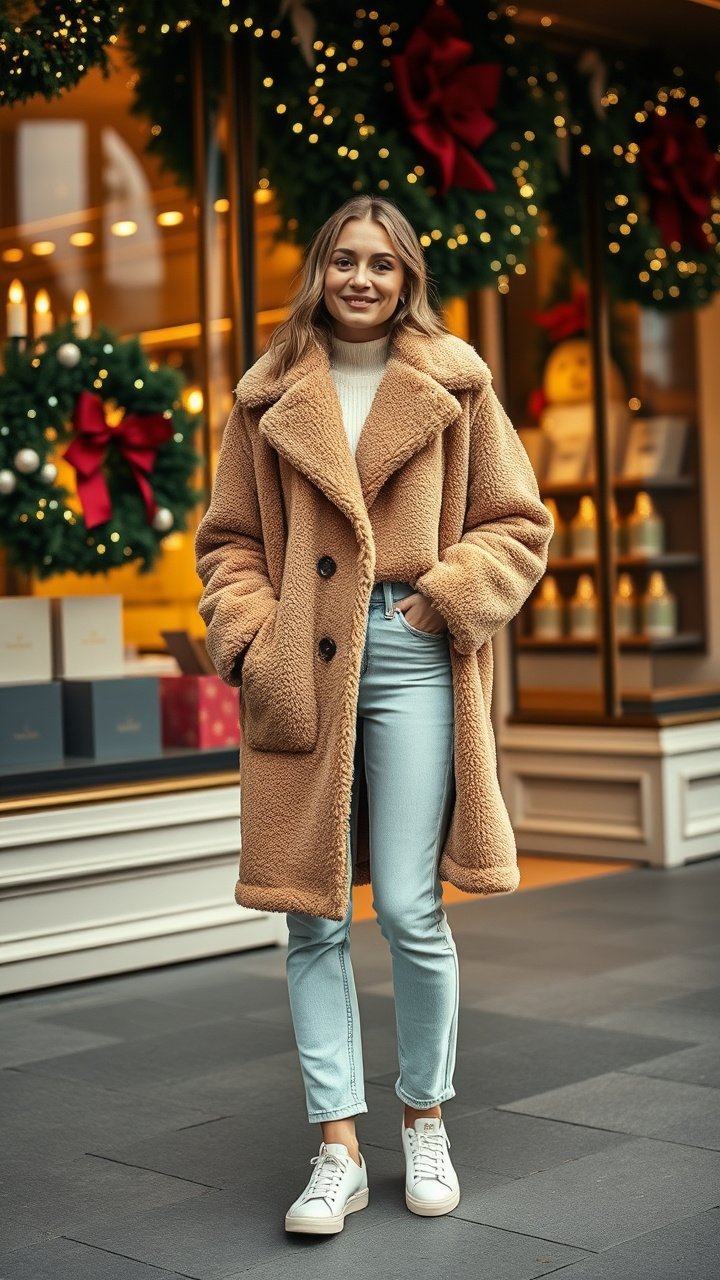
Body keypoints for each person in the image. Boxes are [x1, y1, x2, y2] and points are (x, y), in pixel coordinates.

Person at [194, 194, 553, 1235]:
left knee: (408, 905)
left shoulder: (457, 381)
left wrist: (446, 596)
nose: (361, 278)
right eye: (345, 260)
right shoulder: (266, 396)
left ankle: (425, 1117)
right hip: (299, 662)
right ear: (320, 269)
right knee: (311, 910)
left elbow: (517, 521)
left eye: (382, 265)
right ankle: (337, 1147)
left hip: (411, 653)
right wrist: (254, 636)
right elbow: (227, 541)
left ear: (407, 279)